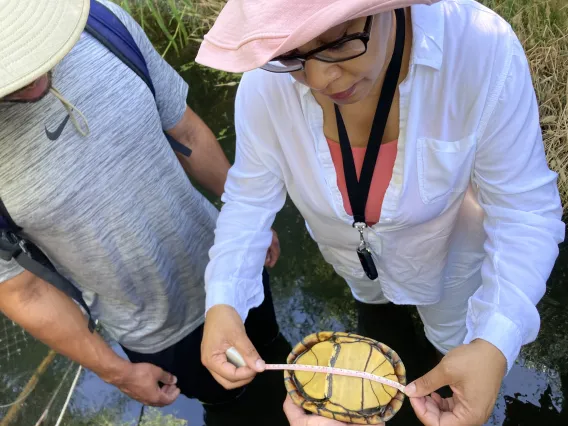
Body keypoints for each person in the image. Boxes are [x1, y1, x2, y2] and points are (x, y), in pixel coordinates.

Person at [195, 0, 565, 425]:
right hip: (350, 262)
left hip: (448, 269)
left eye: (337, 39)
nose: (318, 78)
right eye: (290, 53)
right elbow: (248, 200)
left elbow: (524, 213)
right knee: (373, 310)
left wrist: (493, 343)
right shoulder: (264, 88)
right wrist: (223, 301)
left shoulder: (480, 51)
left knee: (449, 346)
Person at [0, 0, 284, 415]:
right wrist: (115, 371)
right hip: (158, 333)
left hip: (232, 266)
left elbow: (186, 129)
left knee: (275, 356)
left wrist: (248, 222)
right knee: (230, 404)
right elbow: (20, 290)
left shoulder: (103, 24)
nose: (30, 77)